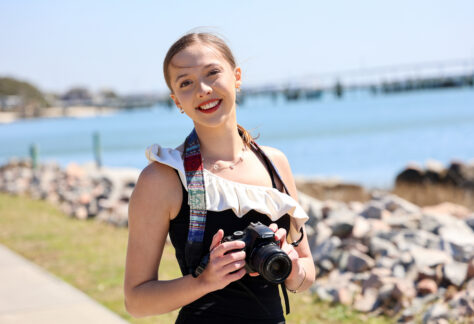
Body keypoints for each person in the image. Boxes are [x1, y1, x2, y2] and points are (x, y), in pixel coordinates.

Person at [124, 32, 315, 324]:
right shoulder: (164, 178)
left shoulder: (274, 164)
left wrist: (290, 265)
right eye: (186, 82)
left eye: (212, 73)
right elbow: (136, 301)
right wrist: (204, 281)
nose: (202, 89)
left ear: (236, 77)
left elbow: (306, 275)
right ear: (177, 101)